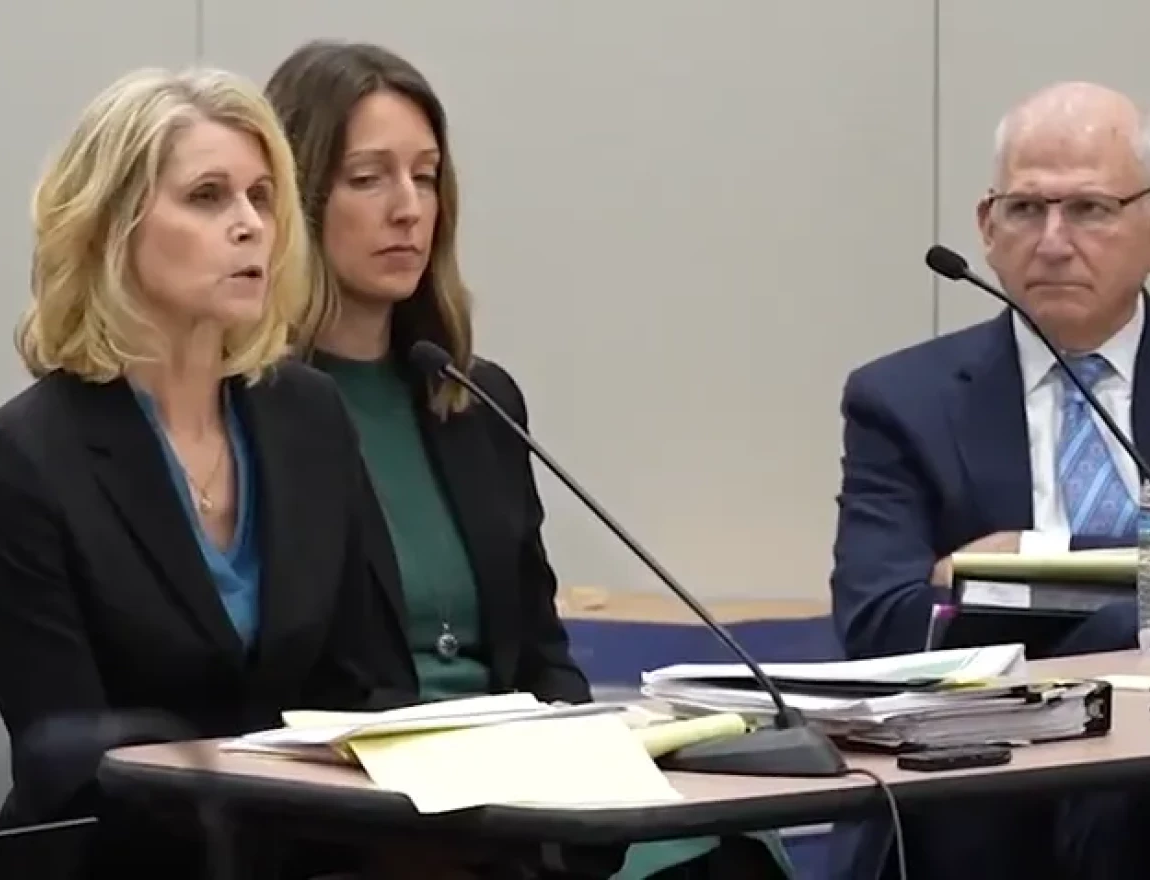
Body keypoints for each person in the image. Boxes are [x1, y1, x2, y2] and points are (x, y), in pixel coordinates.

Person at [264, 40, 794, 880]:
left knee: (737, 855)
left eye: (426, 177)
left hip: (525, 792)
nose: (408, 208)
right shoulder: (258, 412)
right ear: (297, 199)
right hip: (378, 815)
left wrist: (588, 753)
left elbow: (541, 649)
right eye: (368, 178)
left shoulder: (472, 397)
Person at [827, 82, 1150, 880]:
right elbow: (881, 625)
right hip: (983, 789)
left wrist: (1002, 563)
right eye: (1025, 209)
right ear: (986, 228)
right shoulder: (899, 400)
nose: (1052, 241)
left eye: (1089, 209)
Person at [0, 67, 417, 879]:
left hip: (312, 856)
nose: (250, 226)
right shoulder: (19, 459)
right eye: (207, 197)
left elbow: (374, 689)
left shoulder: (308, 416)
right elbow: (64, 755)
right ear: (110, 227)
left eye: (262, 197)